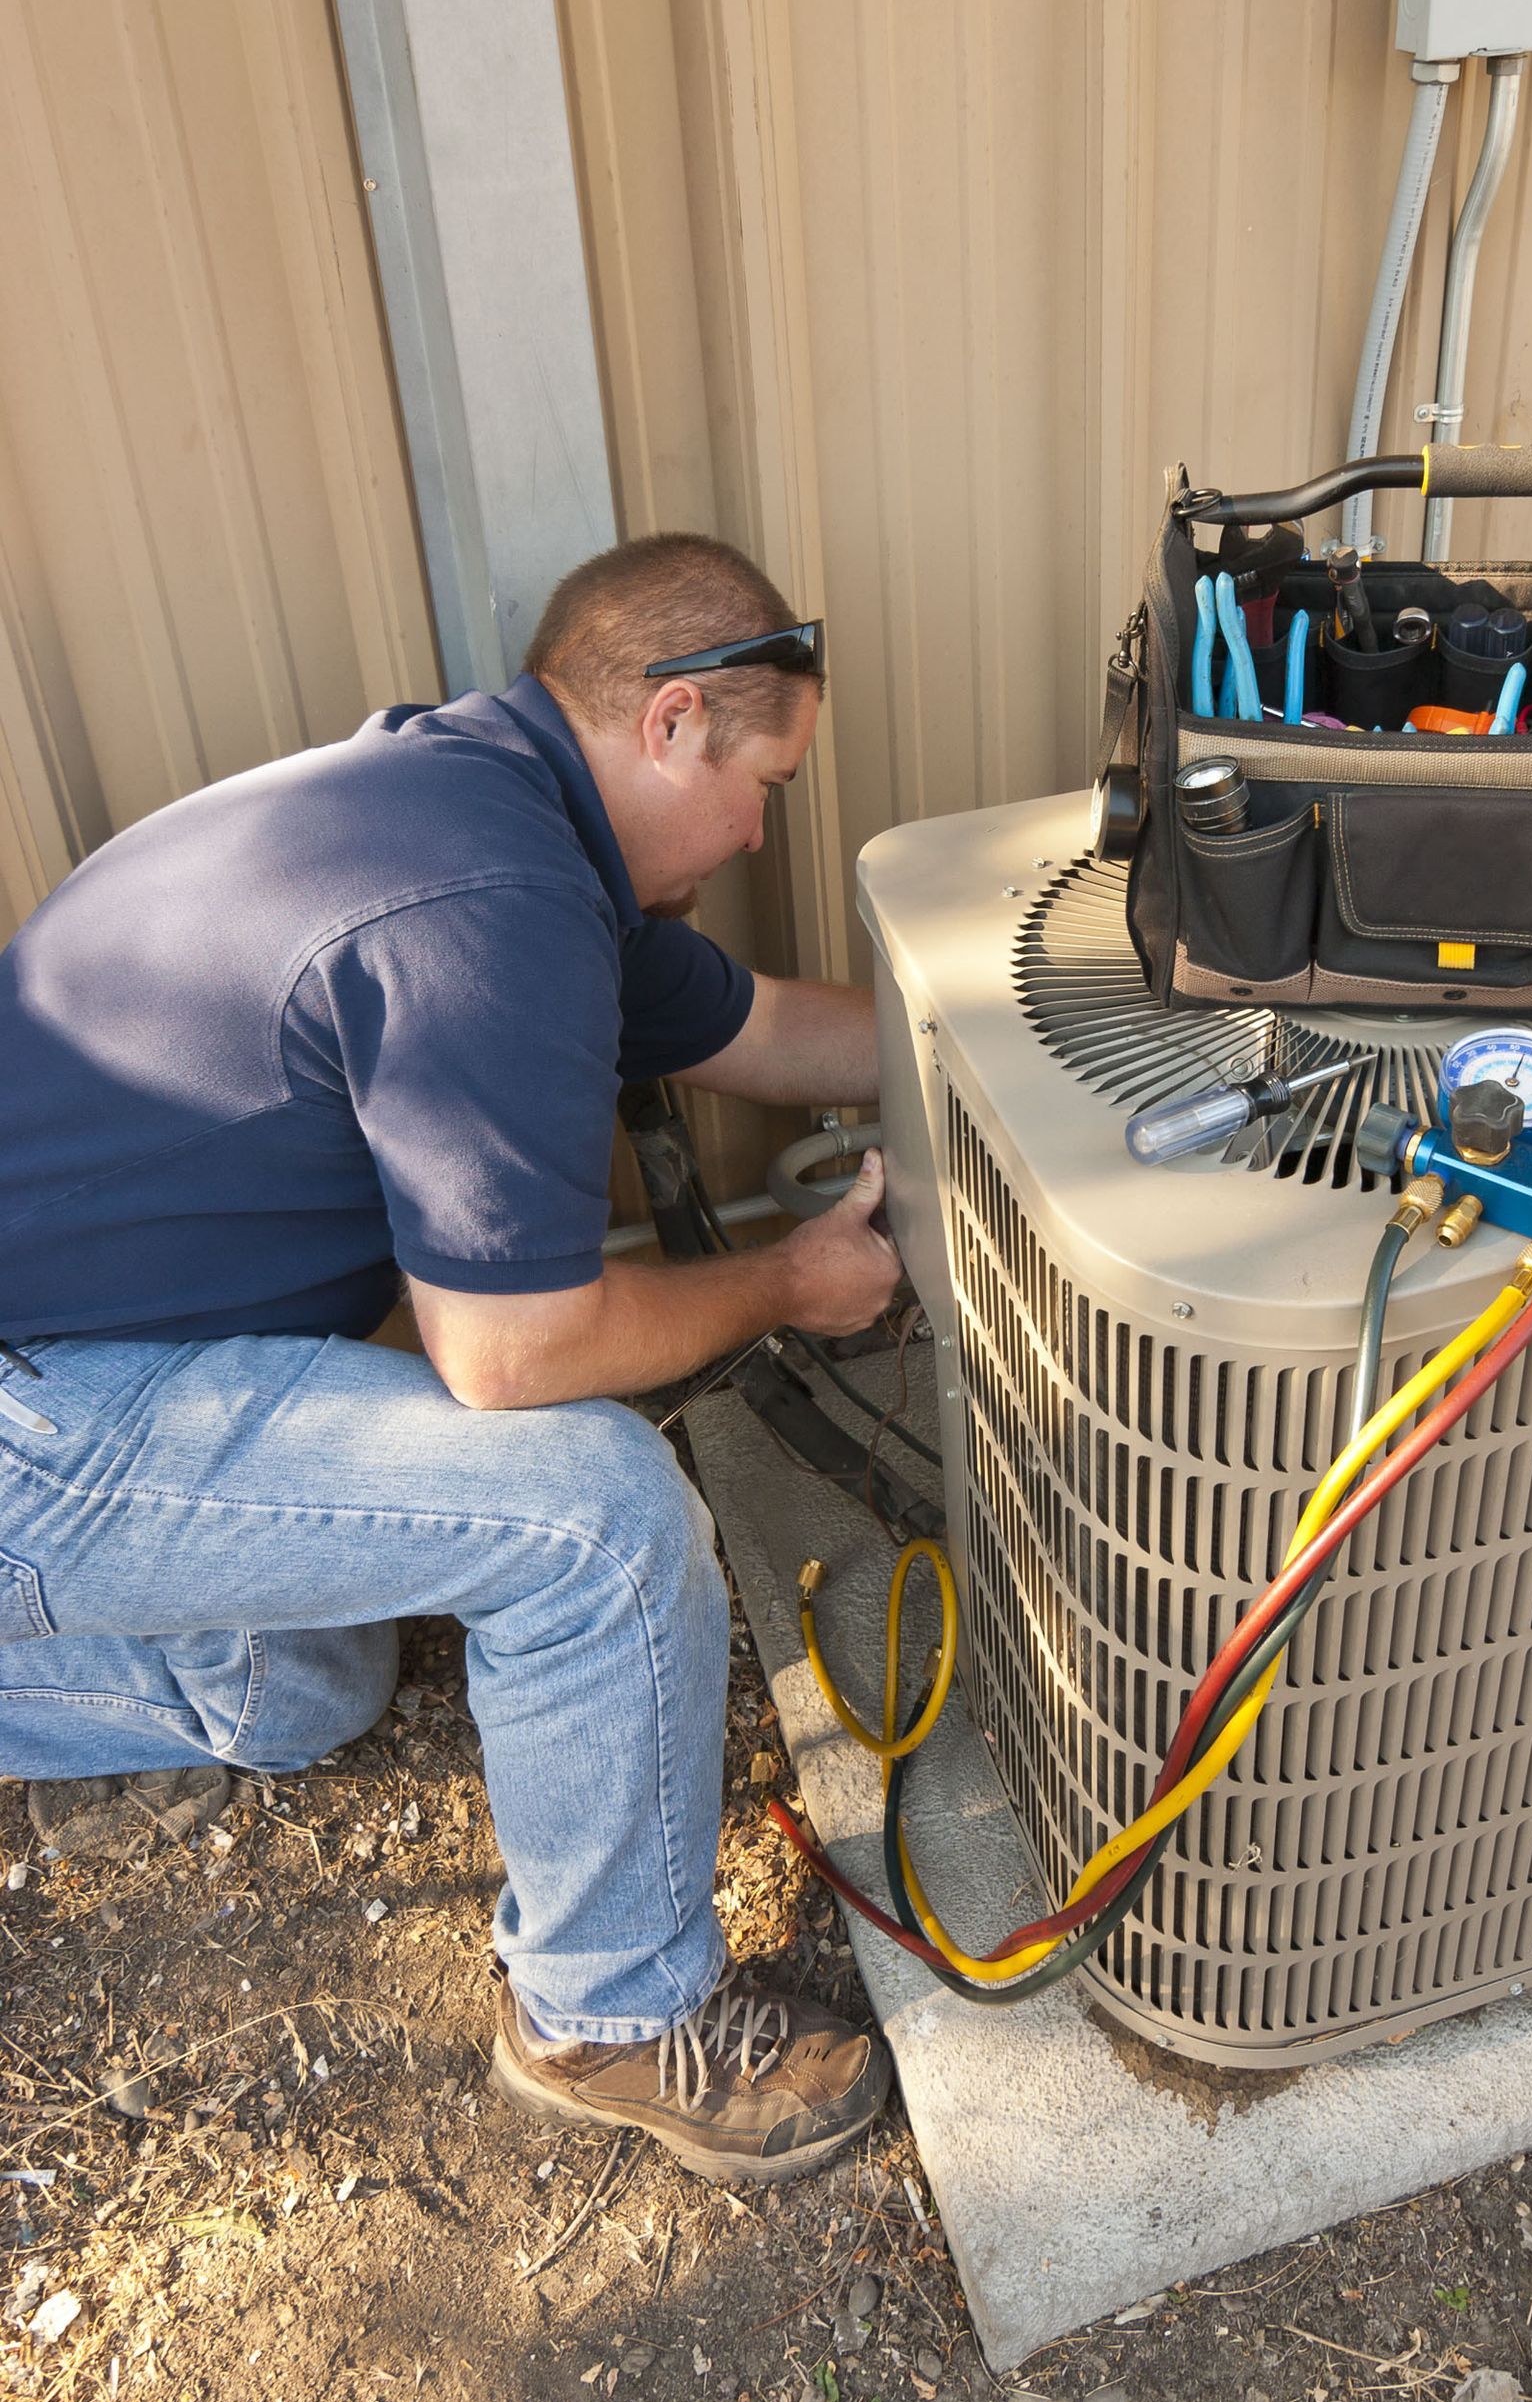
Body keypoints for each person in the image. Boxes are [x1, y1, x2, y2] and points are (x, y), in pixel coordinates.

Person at [0, 533, 906, 2186]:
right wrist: (785, 1279)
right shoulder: (489, 903)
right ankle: (609, 2015)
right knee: (596, 1516)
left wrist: (990, 1049)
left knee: (302, 1690)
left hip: (102, 1363)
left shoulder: (499, 807)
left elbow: (768, 1031)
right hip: (38, 1407)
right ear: (675, 724)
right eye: (766, 776)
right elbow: (511, 1356)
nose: (763, 827)